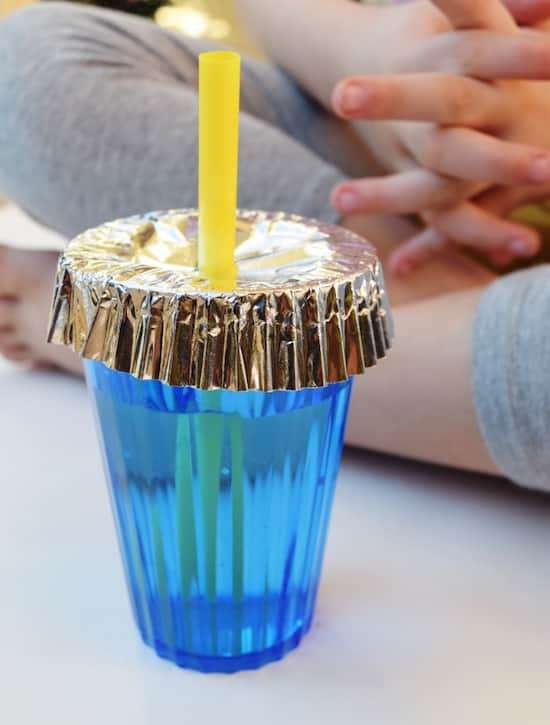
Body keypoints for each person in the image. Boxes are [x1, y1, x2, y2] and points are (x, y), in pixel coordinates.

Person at [1, 0, 550, 490]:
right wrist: (368, 61)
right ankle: (427, 328)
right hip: (401, 157)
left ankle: (137, 344)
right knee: (30, 69)